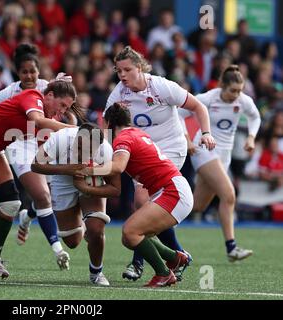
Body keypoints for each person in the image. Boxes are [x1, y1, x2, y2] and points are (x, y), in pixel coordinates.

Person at [105, 46, 215, 281]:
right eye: (119, 71)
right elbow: (106, 125)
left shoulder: (161, 86)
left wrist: (206, 133)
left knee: (146, 203)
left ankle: (139, 262)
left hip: (171, 147)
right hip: (141, 150)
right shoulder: (119, 94)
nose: (123, 75)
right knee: (147, 206)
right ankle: (177, 256)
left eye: (128, 69)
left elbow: (198, 106)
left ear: (140, 67)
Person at [0, 80, 77, 278]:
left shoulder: (44, 119)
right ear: (49, 95)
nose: (61, 112)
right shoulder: (33, 97)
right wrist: (73, 130)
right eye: (62, 105)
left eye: (66, 109)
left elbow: (46, 148)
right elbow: (38, 121)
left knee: (11, 204)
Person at [75, 103, 193, 287]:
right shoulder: (136, 133)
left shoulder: (123, 138)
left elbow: (119, 167)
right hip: (171, 189)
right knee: (133, 235)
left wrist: (87, 170)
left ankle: (164, 273)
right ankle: (175, 258)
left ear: (108, 123)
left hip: (173, 191)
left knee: (131, 233)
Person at [0, 44, 70, 270]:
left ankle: (27, 215)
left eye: (33, 71)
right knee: (43, 195)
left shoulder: (47, 87)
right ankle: (57, 249)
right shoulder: (7, 93)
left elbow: (66, 104)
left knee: (48, 198)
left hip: (46, 143)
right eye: (24, 72)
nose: (29, 76)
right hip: (18, 144)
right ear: (17, 72)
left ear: (39, 70)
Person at [180, 65, 261, 261]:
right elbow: (179, 114)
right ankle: (231, 248)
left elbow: (255, 116)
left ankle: (157, 224)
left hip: (224, 155)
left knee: (196, 205)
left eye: (240, 90)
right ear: (222, 86)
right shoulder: (207, 98)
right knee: (229, 194)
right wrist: (187, 140)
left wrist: (251, 137)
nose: (237, 95)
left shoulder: (243, 100)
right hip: (204, 150)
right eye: (233, 90)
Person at [31, 123, 114, 286]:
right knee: (72, 241)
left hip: (91, 176)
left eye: (89, 151)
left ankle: (96, 272)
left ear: (98, 147)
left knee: (96, 228)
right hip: (62, 178)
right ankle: (84, 223)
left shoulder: (106, 151)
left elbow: (115, 188)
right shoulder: (61, 139)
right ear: (75, 139)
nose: (83, 154)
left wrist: (91, 177)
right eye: (80, 147)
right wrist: (67, 169)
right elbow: (35, 165)